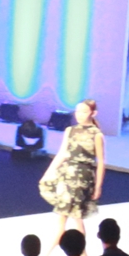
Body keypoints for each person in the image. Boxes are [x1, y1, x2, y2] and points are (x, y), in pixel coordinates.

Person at [37, 98, 104, 237]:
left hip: (82, 177)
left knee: (70, 215)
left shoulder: (96, 134)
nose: (79, 114)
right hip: (66, 174)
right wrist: (48, 173)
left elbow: (101, 162)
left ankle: (51, 249)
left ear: (93, 113)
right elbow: (62, 153)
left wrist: (98, 186)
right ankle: (79, 248)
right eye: (77, 111)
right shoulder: (70, 130)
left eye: (84, 111)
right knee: (72, 216)